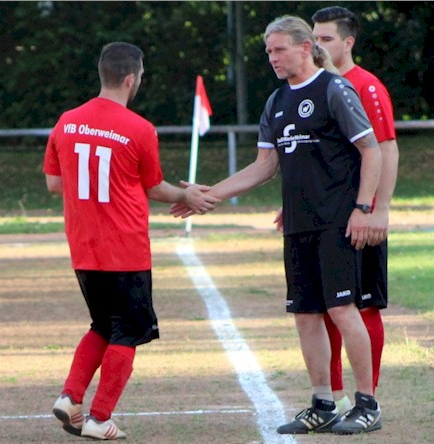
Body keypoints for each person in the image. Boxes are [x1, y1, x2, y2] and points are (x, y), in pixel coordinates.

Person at [172, 15, 382, 435]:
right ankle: (322, 403)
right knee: (305, 314)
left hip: (337, 222)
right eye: (268, 51)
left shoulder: (335, 89)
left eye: (279, 48)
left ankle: (368, 404)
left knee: (342, 308)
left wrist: (364, 208)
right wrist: (208, 194)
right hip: (298, 223)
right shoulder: (276, 102)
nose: (272, 57)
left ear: (305, 48)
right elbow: (264, 166)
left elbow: (371, 150)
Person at [43, 41, 219, 440]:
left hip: (83, 247)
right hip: (124, 248)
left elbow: (55, 183)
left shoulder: (66, 121)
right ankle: (99, 418)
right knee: (128, 331)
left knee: (103, 324)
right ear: (130, 78)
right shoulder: (139, 128)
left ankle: (71, 398)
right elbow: (154, 186)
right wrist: (186, 195)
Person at [274, 5, 400, 416]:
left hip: (355, 214)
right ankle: (332, 397)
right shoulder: (306, 89)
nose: (319, 44)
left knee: (359, 305)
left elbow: (383, 148)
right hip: (322, 213)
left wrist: (377, 209)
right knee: (322, 308)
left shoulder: (362, 86)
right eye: (316, 36)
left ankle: (368, 397)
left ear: (347, 43)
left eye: (327, 39)